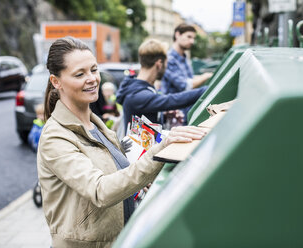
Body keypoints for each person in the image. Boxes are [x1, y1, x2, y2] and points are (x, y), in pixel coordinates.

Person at [37, 36, 206, 248]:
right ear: (56, 81)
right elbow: (100, 190)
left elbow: (117, 174)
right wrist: (159, 151)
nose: (92, 79)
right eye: (80, 74)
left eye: (94, 69)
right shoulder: (55, 137)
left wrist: (143, 179)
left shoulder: (97, 126)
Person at [116, 39, 207, 132]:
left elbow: (143, 117)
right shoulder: (136, 95)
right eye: (166, 64)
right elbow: (172, 100)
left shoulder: (140, 88)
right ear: (159, 64)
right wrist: (206, 90)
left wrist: (163, 115)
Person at [161, 23, 213, 94]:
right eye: (189, 37)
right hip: (176, 104)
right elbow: (185, 86)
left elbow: (190, 79)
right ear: (177, 35)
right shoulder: (169, 59)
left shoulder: (184, 56)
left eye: (193, 38)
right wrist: (205, 76)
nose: (192, 41)